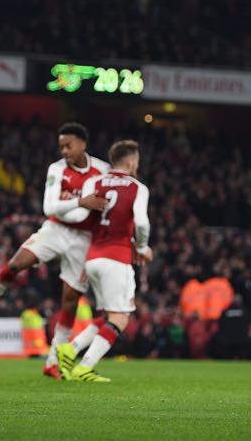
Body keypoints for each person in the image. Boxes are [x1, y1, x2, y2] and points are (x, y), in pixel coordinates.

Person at [0, 123, 109, 380]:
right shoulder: (57, 169)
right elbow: (50, 207)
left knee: (70, 301)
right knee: (16, 265)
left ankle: (52, 362)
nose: (64, 150)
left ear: (83, 144)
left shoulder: (102, 170)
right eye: (61, 146)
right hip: (55, 229)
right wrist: (81, 202)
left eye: (68, 145)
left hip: (84, 239)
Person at [56, 140, 152, 382]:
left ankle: (71, 349)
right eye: (137, 162)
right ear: (131, 162)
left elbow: (80, 214)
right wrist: (141, 247)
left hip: (92, 258)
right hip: (116, 259)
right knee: (120, 318)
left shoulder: (94, 181)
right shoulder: (137, 187)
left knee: (109, 315)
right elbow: (141, 222)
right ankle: (85, 366)